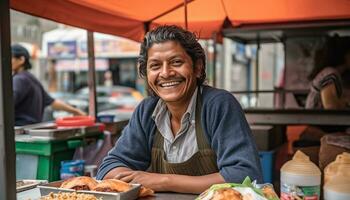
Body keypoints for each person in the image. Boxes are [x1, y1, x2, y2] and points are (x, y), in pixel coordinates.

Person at [96, 25, 262, 194]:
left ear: (197, 68)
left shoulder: (218, 104)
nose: (166, 73)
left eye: (176, 62)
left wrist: (163, 181)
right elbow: (109, 168)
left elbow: (244, 176)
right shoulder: (147, 111)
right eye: (155, 66)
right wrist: (132, 178)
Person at [11, 44, 86, 126]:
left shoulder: (19, 79)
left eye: (10, 57)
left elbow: (7, 103)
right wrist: (75, 111)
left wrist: (75, 111)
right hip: (32, 129)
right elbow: (52, 102)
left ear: (21, 60)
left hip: (19, 130)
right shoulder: (30, 78)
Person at [305, 41, 350, 109]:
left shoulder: (336, 74)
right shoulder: (330, 74)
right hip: (318, 119)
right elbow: (330, 107)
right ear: (345, 56)